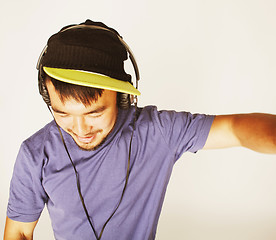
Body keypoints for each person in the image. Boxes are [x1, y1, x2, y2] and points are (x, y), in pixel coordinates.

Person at [4, 19, 276, 240]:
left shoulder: (157, 131)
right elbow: (18, 231)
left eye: (95, 113)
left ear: (123, 98)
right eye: (62, 114)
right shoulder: (35, 154)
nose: (80, 128)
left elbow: (237, 128)